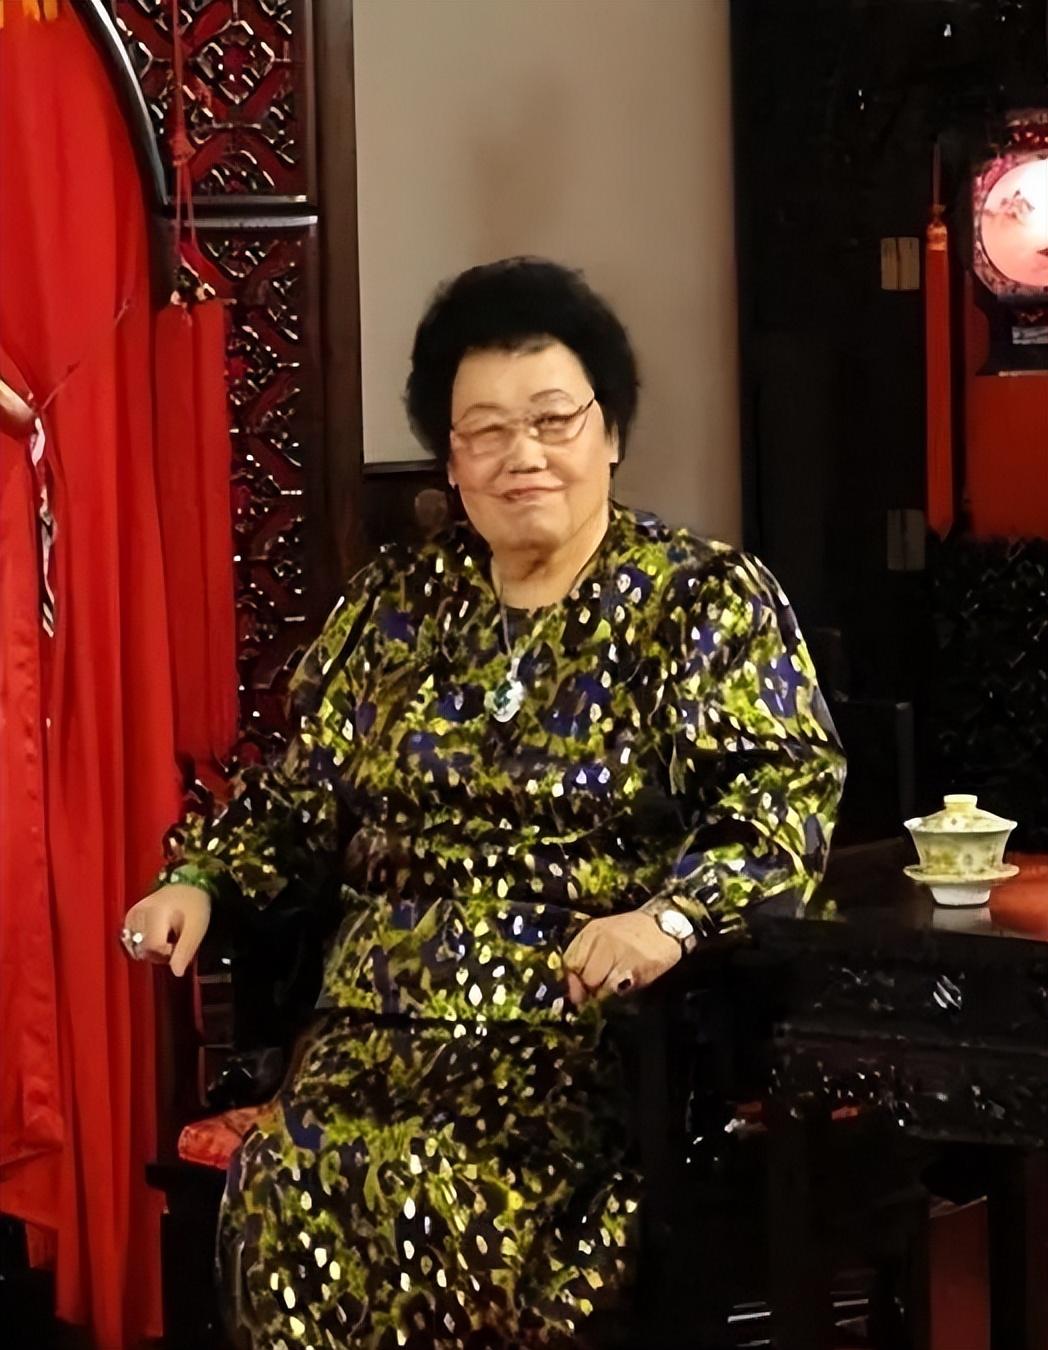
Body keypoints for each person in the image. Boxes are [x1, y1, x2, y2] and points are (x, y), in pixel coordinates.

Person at [121, 258, 846, 1349]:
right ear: (452, 460)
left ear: (609, 432)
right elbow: (301, 792)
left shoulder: (697, 600)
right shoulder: (396, 603)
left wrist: (670, 920)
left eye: (553, 420)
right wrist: (202, 879)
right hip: (370, 1033)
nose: (524, 456)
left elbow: (782, 794)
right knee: (296, 1174)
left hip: (577, 1036)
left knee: (443, 1185)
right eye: (486, 432)